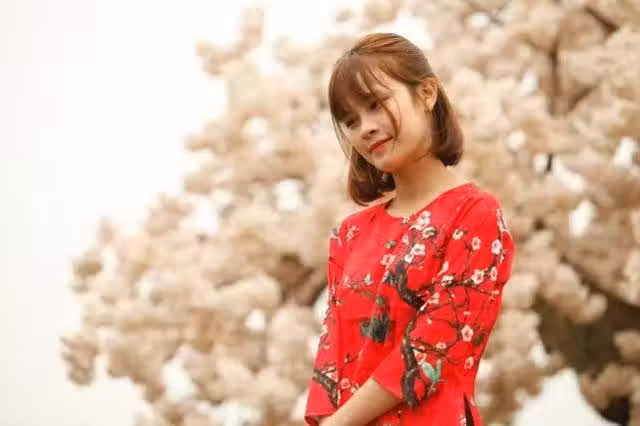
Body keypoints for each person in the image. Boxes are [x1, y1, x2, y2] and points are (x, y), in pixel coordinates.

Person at [304, 32, 515, 426]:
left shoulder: (475, 215)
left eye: (375, 104)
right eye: (350, 121)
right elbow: (330, 368)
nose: (365, 128)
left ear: (427, 93)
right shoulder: (348, 236)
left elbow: (430, 350)